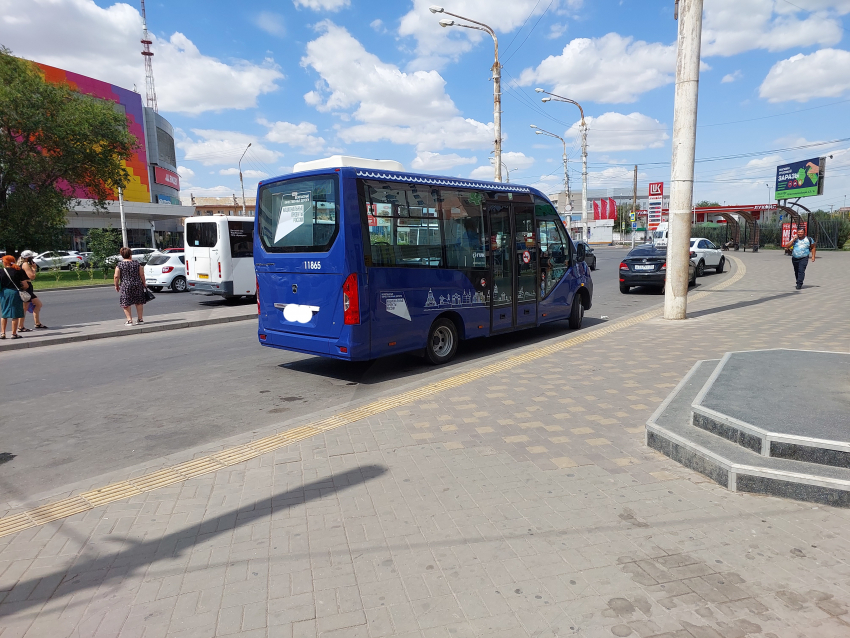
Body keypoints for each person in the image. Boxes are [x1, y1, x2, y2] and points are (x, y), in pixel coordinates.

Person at [114, 247, 148, 325]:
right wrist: (144, 283)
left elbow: (116, 276)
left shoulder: (120, 264)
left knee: (126, 303)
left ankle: (129, 320)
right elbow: (142, 274)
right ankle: (140, 319)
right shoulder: (136, 263)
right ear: (130, 254)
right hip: (137, 284)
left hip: (125, 285)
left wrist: (116, 285)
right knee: (139, 302)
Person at [16, 250, 47, 331]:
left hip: (26, 287)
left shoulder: (19, 263)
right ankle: (20, 326)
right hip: (26, 287)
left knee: (38, 304)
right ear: (28, 258)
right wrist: (33, 269)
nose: (33, 259)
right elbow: (32, 276)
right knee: (24, 307)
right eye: (31, 257)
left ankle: (37, 323)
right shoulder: (25, 264)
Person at [1, 255, 31, 339]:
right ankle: (14, 334)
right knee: (15, 313)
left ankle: (2, 333)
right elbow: (25, 285)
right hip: (15, 292)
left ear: (5, 262)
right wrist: (21, 288)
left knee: (4, 313)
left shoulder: (1, 271)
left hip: (4, 293)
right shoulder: (18, 270)